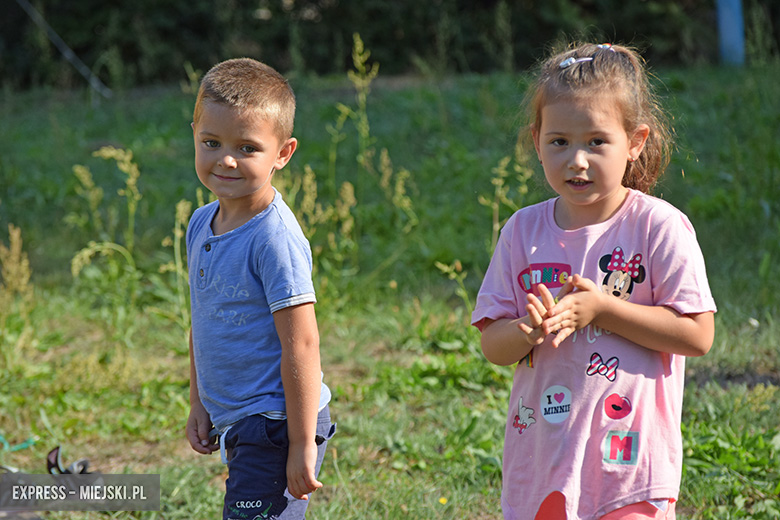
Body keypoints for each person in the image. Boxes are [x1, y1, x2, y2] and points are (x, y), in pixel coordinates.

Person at [471, 42, 716, 520]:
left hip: (629, 463)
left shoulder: (657, 227)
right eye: (559, 141)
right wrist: (526, 329)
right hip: (543, 459)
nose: (576, 161)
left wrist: (605, 309)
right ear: (536, 138)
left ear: (636, 141)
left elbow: (697, 334)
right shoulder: (522, 230)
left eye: (597, 142)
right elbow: (492, 346)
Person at [185, 57, 335, 520]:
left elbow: (303, 343)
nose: (225, 159)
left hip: (275, 423)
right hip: (238, 419)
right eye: (211, 142)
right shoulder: (200, 224)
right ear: (194, 133)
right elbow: (203, 319)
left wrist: (299, 443)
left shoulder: (274, 238)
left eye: (247, 148)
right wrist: (199, 402)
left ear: (283, 153)